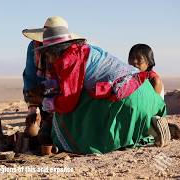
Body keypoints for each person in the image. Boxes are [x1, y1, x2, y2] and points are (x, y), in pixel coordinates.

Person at [35, 25, 170, 154]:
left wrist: (46, 101)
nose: (48, 59)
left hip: (127, 96)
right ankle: (151, 128)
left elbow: (68, 100)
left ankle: (74, 143)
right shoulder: (86, 50)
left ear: (55, 51)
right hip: (146, 94)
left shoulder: (69, 60)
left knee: (74, 110)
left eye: (47, 54)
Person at [22, 16, 83, 145]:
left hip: (62, 93)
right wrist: (32, 108)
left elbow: (68, 85)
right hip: (43, 89)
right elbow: (30, 76)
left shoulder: (69, 51)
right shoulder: (34, 46)